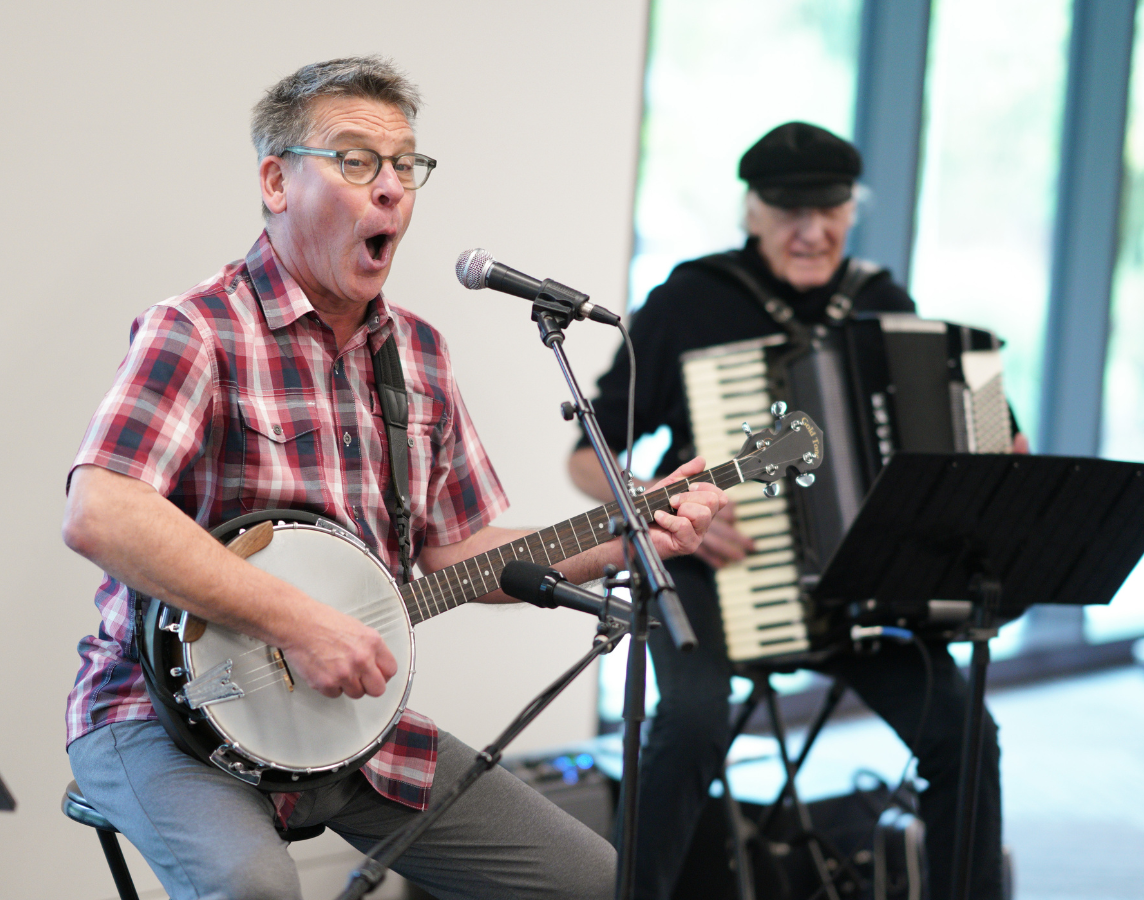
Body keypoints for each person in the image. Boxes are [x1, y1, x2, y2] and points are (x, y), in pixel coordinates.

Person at [62, 57, 728, 900]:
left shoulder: (416, 352)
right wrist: (300, 621)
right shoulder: (197, 331)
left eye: (406, 166)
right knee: (255, 889)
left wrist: (626, 535)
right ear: (276, 180)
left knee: (588, 882)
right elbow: (101, 512)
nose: (391, 190)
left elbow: (456, 554)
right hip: (158, 716)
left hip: (338, 723)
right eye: (354, 161)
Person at [569, 122, 1017, 900]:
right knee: (692, 723)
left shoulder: (880, 299)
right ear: (752, 211)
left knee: (964, 730)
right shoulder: (691, 297)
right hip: (713, 574)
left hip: (856, 593)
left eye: (830, 210)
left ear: (853, 209)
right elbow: (589, 455)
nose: (811, 232)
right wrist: (664, 506)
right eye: (787, 212)